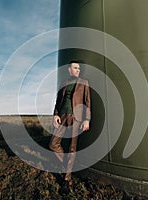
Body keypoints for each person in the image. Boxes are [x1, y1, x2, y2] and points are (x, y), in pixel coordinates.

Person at [49, 60, 91, 194]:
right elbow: (57, 102)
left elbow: (88, 102)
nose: (78, 70)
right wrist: (55, 115)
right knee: (53, 144)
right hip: (62, 117)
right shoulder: (63, 84)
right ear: (69, 69)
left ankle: (66, 180)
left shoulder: (84, 83)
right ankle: (68, 165)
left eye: (79, 68)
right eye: (75, 68)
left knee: (72, 148)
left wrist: (87, 119)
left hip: (76, 118)